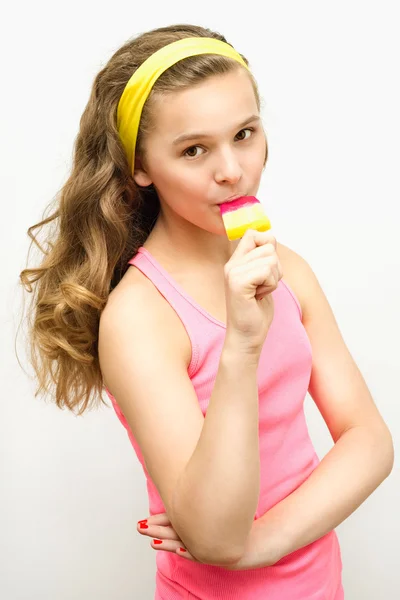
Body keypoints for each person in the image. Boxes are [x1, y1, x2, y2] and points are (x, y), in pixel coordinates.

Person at [19, 23, 394, 600]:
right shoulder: (141, 317)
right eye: (194, 149)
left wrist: (263, 543)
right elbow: (216, 538)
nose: (232, 170)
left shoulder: (286, 269)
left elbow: (369, 442)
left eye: (244, 134)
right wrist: (243, 344)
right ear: (139, 167)